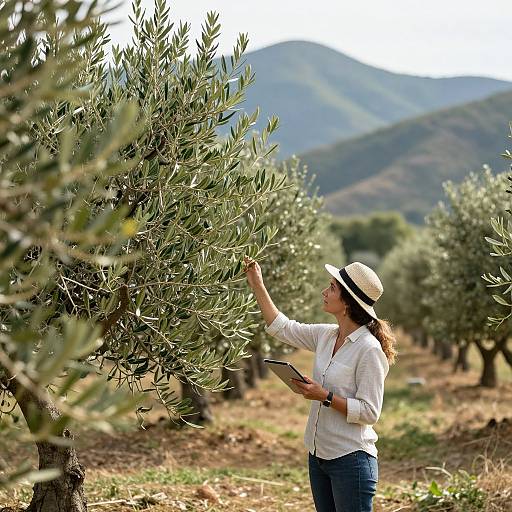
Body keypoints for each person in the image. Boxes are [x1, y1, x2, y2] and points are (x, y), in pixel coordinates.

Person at [243, 256, 397, 512]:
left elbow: (370, 412)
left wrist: (324, 396)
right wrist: (257, 284)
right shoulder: (326, 335)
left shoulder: (369, 351)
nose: (324, 292)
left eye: (332, 288)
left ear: (347, 302)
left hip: (351, 461)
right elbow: (282, 327)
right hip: (318, 457)